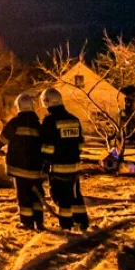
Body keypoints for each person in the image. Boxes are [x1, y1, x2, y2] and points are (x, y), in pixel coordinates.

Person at [0, 93, 46, 230]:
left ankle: (26, 223)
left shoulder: (15, 123)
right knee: (37, 196)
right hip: (36, 170)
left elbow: (3, 139)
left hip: (19, 168)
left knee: (23, 196)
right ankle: (39, 222)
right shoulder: (38, 125)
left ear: (18, 107)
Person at [39, 87, 89, 232]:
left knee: (61, 198)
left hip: (58, 167)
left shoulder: (49, 120)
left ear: (46, 102)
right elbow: (80, 145)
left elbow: (47, 148)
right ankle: (82, 221)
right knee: (75, 194)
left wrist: (43, 163)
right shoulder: (74, 119)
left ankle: (66, 225)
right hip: (74, 166)